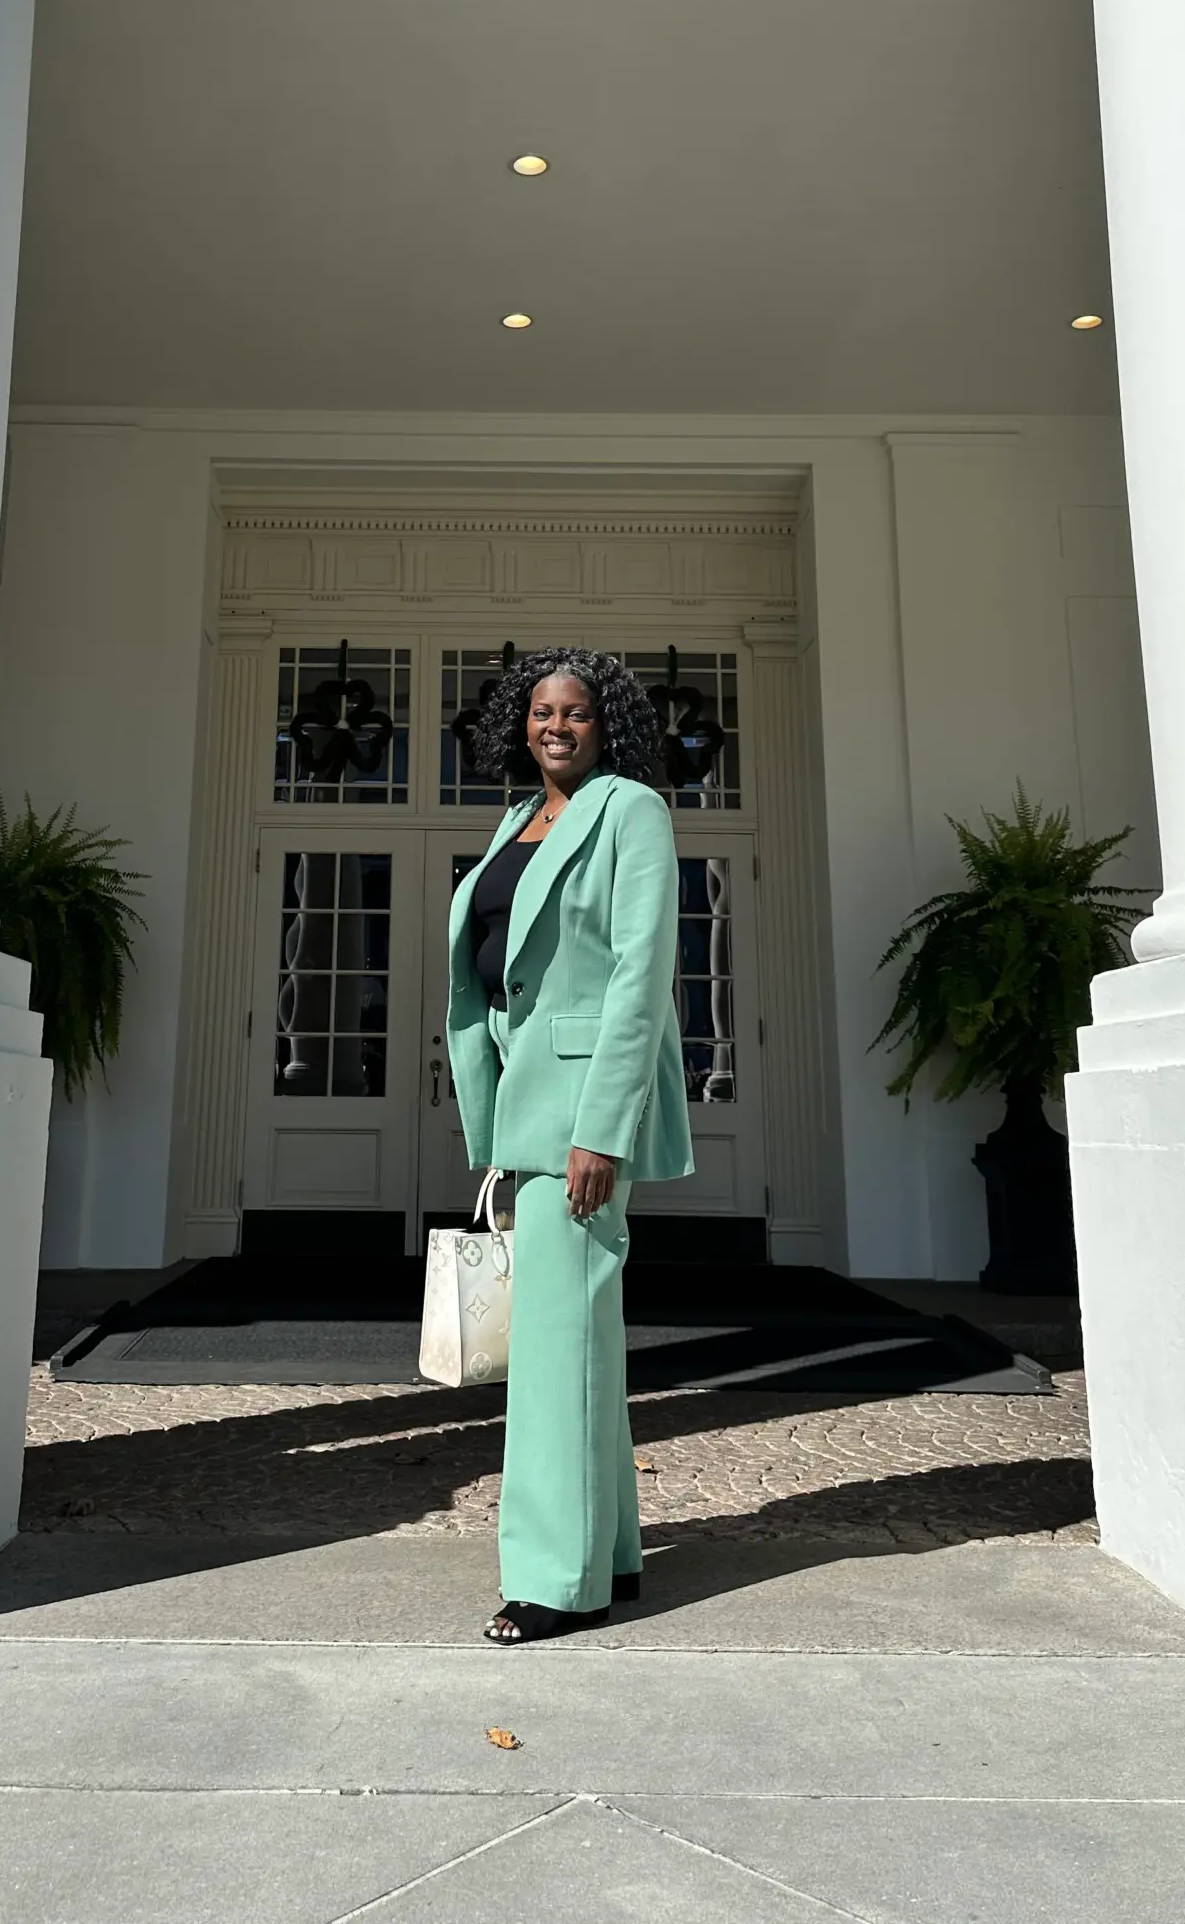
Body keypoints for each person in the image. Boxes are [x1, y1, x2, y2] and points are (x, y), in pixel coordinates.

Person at [446, 647, 694, 1643]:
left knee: (554, 1354)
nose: (556, 725)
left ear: (607, 724)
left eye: (576, 712)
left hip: (581, 1116)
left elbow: (642, 974)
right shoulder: (515, 822)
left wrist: (604, 1126)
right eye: (541, 710)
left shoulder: (631, 810)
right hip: (526, 1107)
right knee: (573, 1344)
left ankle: (553, 1581)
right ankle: (612, 1555)